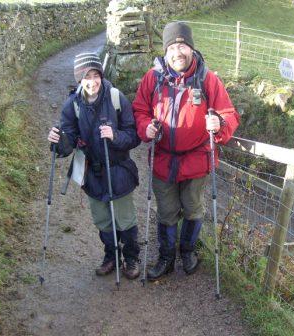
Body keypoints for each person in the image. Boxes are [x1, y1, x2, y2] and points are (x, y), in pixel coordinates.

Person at [132, 22, 240, 281]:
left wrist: (220, 124)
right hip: (163, 159)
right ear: (165, 50)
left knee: (193, 209)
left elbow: (228, 113)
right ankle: (167, 258)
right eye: (172, 46)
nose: (177, 51)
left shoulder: (207, 79)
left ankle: (188, 251)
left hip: (197, 160)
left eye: (182, 45)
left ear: (191, 48)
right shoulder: (153, 78)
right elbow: (139, 110)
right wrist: (146, 127)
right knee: (167, 211)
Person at [47, 52, 141, 279]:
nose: (92, 81)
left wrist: (115, 136)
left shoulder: (116, 98)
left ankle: (131, 258)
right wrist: (57, 141)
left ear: (101, 75)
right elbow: (68, 141)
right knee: (103, 220)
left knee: (125, 219)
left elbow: (134, 135)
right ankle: (111, 256)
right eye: (86, 76)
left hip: (119, 169)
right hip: (92, 171)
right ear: (79, 79)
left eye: (95, 74)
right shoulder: (73, 104)